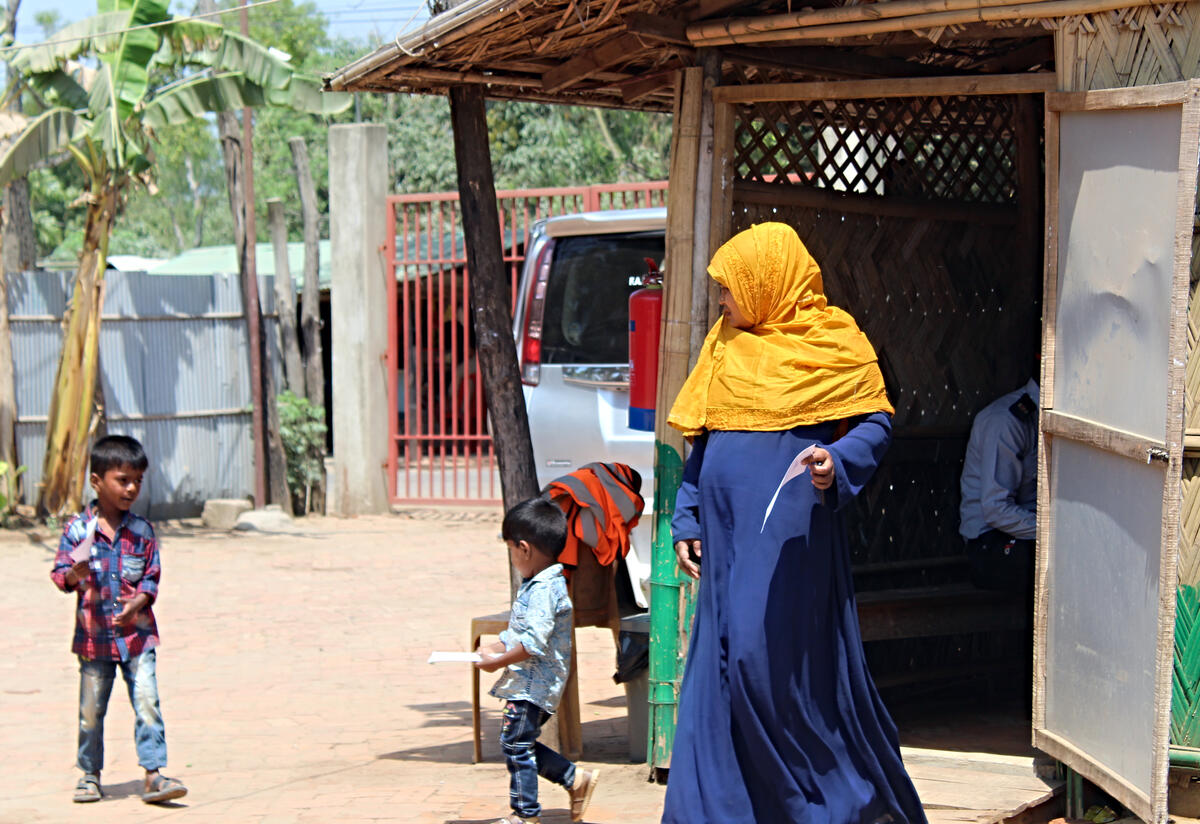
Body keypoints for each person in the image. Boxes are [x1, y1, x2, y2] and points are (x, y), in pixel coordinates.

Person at [662, 222, 926, 823]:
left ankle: (826, 801)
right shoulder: (724, 343)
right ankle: (723, 811)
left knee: (760, 658)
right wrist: (686, 517)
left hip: (787, 535)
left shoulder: (832, 339)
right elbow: (703, 439)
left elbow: (876, 423)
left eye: (730, 288)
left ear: (767, 282)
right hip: (726, 535)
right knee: (723, 661)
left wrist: (837, 460)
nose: (723, 301)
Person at [49, 435, 188, 805]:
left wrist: (140, 600)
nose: (131, 488)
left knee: (147, 701)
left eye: (137, 481)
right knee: (91, 711)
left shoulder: (142, 532)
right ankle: (89, 776)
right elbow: (61, 573)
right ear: (96, 482)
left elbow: (151, 577)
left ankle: (154, 775)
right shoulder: (77, 531)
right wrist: (74, 576)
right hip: (93, 642)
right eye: (122, 480)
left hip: (138, 639)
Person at [475, 497, 600, 824]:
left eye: (511, 551)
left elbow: (532, 642)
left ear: (524, 548)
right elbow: (521, 630)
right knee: (518, 741)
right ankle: (574, 779)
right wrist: (496, 645)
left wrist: (499, 660)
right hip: (529, 683)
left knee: (515, 744)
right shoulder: (538, 584)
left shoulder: (545, 588)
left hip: (534, 685)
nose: (513, 558)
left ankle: (526, 815)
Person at [958, 378, 1039, 593]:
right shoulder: (1008, 421)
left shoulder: (1047, 419)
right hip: (990, 542)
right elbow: (996, 508)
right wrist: (1055, 533)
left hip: (1028, 533)